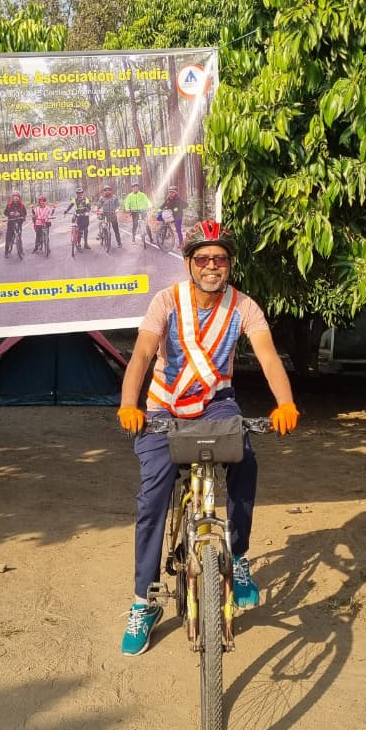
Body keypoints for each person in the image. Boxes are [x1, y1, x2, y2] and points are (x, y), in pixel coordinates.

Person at [117, 219, 299, 656]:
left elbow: (268, 357)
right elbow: (142, 354)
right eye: (203, 259)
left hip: (217, 403)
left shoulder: (244, 307)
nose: (212, 266)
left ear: (230, 264)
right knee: (154, 495)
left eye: (220, 258)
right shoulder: (166, 301)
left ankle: (238, 558)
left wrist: (285, 403)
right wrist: (129, 403)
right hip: (164, 406)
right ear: (188, 263)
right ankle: (144, 601)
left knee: (245, 460)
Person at [3, 192, 27, 256]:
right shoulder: (9, 204)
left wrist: (20, 214)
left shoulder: (21, 205)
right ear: (13, 197)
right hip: (11, 223)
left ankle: (21, 251)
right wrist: (9, 213)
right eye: (14, 196)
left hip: (18, 223)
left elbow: (25, 213)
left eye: (17, 196)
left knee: (19, 237)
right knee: (8, 238)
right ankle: (6, 252)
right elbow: (5, 212)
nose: (16, 198)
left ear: (19, 197)